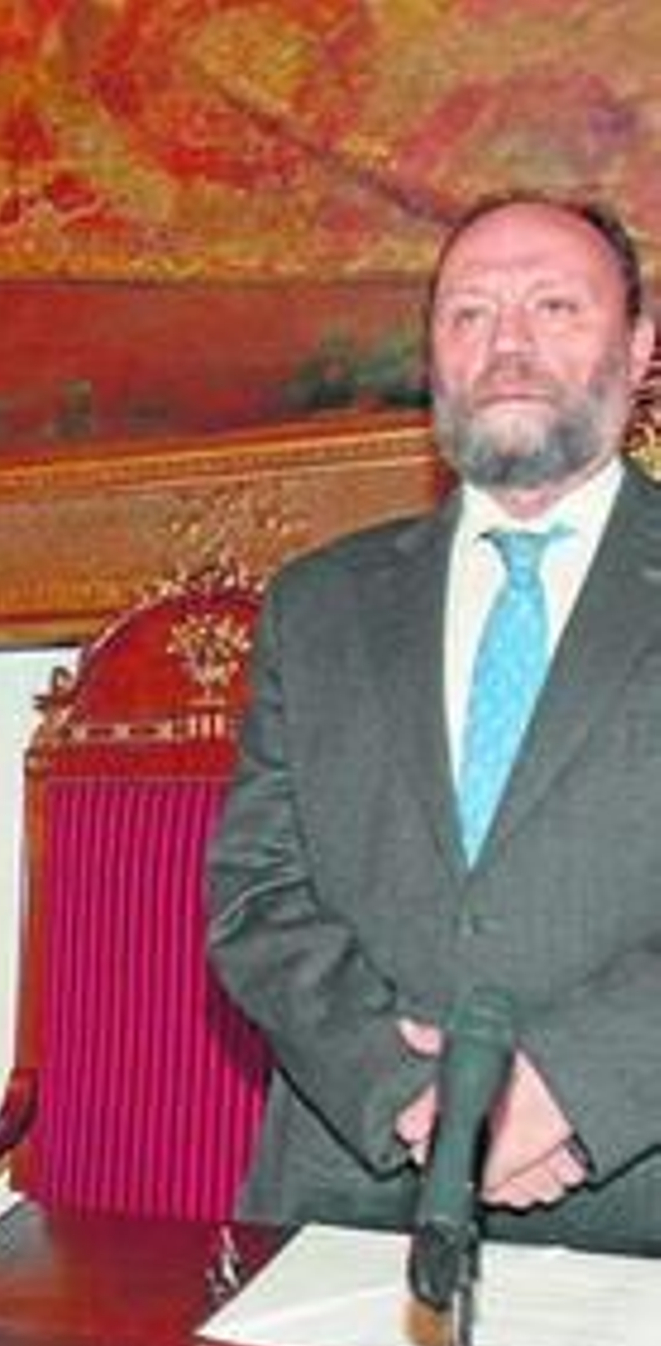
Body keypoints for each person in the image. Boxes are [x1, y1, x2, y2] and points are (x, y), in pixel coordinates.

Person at [207, 191, 661, 1253]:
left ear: (641, 350)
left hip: (635, 1197)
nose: (506, 344)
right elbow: (256, 895)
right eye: (467, 313)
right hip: (348, 1189)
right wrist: (415, 1097)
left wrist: (569, 1090)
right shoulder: (317, 603)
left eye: (554, 306)